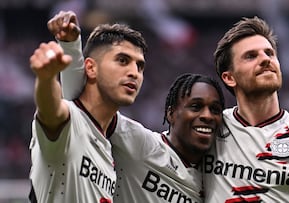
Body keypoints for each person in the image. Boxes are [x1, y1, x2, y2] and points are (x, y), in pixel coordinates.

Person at [48, 11, 225, 202]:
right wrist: (70, 46)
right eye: (195, 107)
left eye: (215, 110)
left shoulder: (218, 178)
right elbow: (84, 108)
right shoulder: (142, 145)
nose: (206, 115)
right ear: (171, 114)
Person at [202, 16, 289, 202]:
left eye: (269, 53)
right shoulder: (211, 127)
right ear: (229, 77)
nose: (265, 59)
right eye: (251, 56)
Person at [29, 20, 148, 202]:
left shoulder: (108, 147)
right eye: (122, 60)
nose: (134, 73)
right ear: (91, 68)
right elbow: (51, 111)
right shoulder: (71, 121)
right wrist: (46, 78)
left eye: (139, 66)